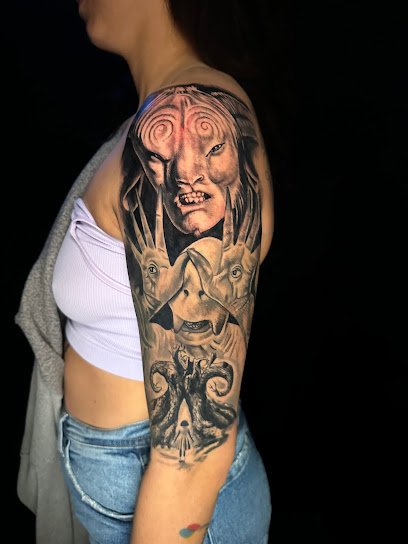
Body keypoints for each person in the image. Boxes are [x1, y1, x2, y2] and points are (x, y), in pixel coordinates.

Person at [16, 1, 274, 542]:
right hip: (127, 475)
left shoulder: (191, 120)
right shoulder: (155, 119)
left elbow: (193, 451)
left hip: (170, 502)